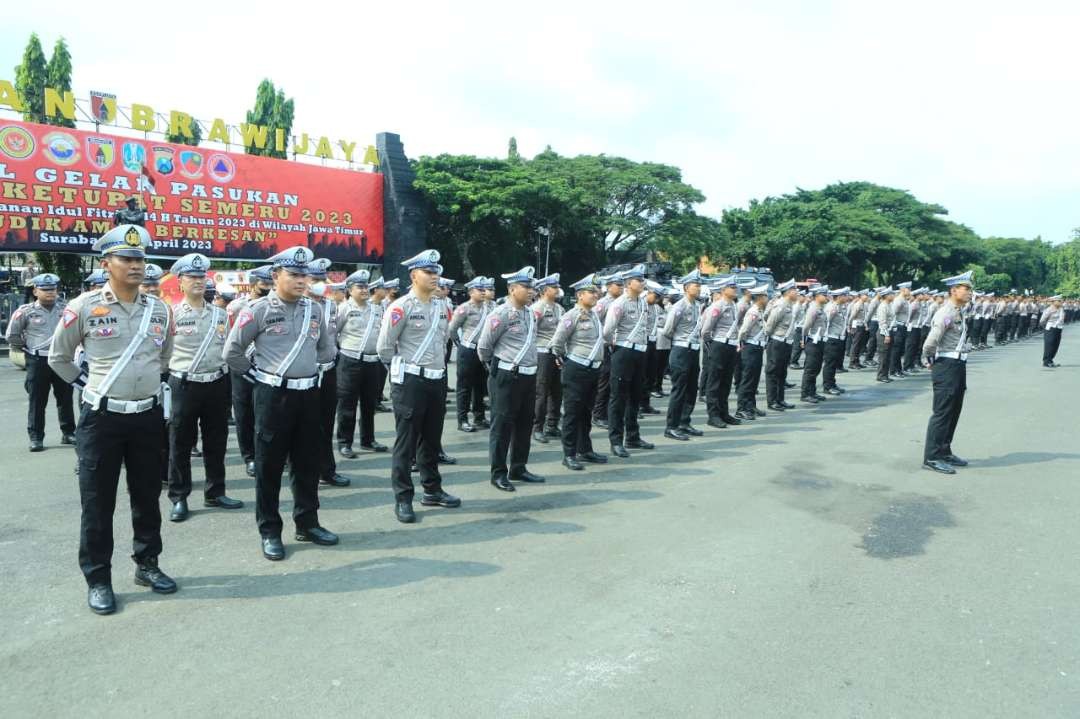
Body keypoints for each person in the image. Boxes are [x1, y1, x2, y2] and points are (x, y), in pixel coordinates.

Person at [48, 223, 178, 615]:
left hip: (147, 418)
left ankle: (147, 564)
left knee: (146, 497)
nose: (136, 265)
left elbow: (165, 357)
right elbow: (59, 357)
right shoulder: (84, 306)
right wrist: (93, 386)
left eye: (141, 258)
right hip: (101, 419)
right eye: (127, 258)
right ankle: (98, 578)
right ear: (107, 263)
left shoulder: (159, 308)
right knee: (98, 502)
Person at [223, 246, 340, 561]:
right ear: (276, 276)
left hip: (308, 394)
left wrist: (312, 365)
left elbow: (328, 351)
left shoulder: (314, 310)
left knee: (307, 463)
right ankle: (270, 530)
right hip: (273, 396)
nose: (302, 280)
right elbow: (233, 352)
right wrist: (259, 379)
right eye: (295, 274)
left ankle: (307, 522)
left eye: (305, 275)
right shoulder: (258, 309)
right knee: (269, 466)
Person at [375, 250, 462, 522]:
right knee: (406, 443)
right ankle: (403, 497)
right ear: (414, 275)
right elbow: (384, 348)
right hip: (410, 381)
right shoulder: (401, 307)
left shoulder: (441, 306)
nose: (435, 277)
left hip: (436, 379)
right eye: (429, 272)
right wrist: (404, 373)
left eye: (437, 272)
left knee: (431, 439)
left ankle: (432, 490)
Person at [164, 253, 242, 522]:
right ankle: (179, 497)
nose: (198, 281)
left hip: (216, 383)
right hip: (184, 384)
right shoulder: (171, 313)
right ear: (180, 282)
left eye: (202, 276)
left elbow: (229, 347)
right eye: (192, 277)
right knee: (180, 444)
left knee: (216, 441)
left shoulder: (220, 314)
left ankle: (215, 492)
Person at [478, 266, 546, 490]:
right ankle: (498, 472)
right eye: (526, 287)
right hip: (506, 375)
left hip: (528, 376)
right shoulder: (500, 314)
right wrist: (498, 368)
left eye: (532, 287)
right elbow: (484, 347)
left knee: (525, 424)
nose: (531, 291)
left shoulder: (529, 313)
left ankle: (519, 467)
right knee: (502, 426)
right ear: (512, 289)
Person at [5, 272, 76, 452]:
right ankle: (36, 437)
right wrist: (27, 348)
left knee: (65, 398)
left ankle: (68, 433)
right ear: (36, 291)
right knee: (37, 401)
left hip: (62, 359)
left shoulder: (66, 309)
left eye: (53, 289)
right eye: (45, 290)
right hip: (38, 360)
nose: (50, 293)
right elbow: (12, 335)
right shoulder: (25, 311)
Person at [550, 273, 608, 470]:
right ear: (580, 295)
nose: (596, 295)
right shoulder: (571, 316)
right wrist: (565, 362)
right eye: (591, 292)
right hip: (576, 369)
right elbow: (557, 344)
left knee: (586, 412)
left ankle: (585, 449)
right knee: (572, 414)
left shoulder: (593, 315)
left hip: (593, 370)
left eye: (596, 291)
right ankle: (569, 453)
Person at [921, 271, 975, 475]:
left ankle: (944, 450)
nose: (970, 292)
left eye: (970, 289)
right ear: (954, 291)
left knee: (954, 410)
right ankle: (931, 457)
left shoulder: (959, 311)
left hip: (958, 364)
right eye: (966, 289)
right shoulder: (946, 313)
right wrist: (927, 358)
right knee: (942, 412)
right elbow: (931, 341)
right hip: (946, 365)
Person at [305, 259, 351, 488]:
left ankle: (327, 470)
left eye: (322, 280)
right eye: (314, 280)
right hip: (303, 374)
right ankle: (304, 472)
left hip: (328, 370)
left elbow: (333, 335)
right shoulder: (298, 305)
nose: (319, 285)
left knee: (326, 423)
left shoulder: (331, 305)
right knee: (303, 426)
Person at [602, 264, 654, 458]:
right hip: (623, 351)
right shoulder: (619, 303)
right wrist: (615, 348)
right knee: (618, 398)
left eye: (642, 280)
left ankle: (632, 437)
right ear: (628, 283)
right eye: (639, 280)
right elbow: (607, 331)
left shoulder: (642, 303)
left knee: (635, 396)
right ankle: (616, 441)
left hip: (640, 352)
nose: (642, 283)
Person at [226, 265, 273, 478]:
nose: (268, 288)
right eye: (264, 284)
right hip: (243, 365)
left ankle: (268, 454)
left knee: (267, 414)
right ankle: (250, 457)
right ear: (253, 285)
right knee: (244, 414)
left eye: (270, 284)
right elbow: (228, 337)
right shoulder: (236, 307)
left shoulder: (275, 304)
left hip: (266, 366)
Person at [334, 269, 387, 456]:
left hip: (373, 362)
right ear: (349, 289)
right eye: (360, 287)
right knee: (347, 404)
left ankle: (368, 440)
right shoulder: (344, 308)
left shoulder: (377, 308)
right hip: (350, 361)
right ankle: (344, 442)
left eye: (366, 286)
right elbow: (333, 334)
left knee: (369, 403)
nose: (365, 290)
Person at [661, 269, 706, 439]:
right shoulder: (679, 306)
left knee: (691, 389)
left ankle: (684, 422)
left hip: (693, 351)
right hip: (681, 350)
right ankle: (671, 426)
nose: (699, 288)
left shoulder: (696, 305)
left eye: (699, 285)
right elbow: (667, 330)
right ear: (687, 287)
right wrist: (682, 341)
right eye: (696, 285)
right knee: (679, 389)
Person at [449, 276, 493, 432]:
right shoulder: (464, 308)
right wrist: (460, 345)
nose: (483, 293)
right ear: (471, 292)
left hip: (483, 351)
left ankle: (479, 417)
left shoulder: (490, 308)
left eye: (484, 290)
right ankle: (462, 420)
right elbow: (452, 329)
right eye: (479, 290)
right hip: (468, 350)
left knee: (480, 385)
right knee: (464, 386)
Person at [701, 276, 743, 426]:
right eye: (732, 288)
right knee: (714, 382)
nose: (735, 290)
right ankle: (713, 415)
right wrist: (712, 347)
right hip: (719, 345)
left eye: (735, 287)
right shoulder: (717, 306)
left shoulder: (733, 306)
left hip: (731, 346)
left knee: (726, 381)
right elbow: (706, 331)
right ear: (723, 290)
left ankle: (724, 413)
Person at [530, 273, 563, 443]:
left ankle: (552, 424)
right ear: (544, 291)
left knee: (556, 391)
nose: (557, 290)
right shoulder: (537, 308)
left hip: (556, 353)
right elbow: (531, 333)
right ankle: (537, 427)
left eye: (557, 287)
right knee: (541, 392)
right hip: (542, 353)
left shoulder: (559, 308)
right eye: (554, 287)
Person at [591, 274, 623, 427]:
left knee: (612, 382)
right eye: (618, 285)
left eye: (622, 285)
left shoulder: (621, 302)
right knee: (603, 383)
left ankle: (606, 413)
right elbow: (594, 323)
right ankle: (598, 414)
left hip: (615, 347)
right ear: (609, 286)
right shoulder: (602, 303)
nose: (621, 287)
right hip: (604, 347)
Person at [735, 284, 771, 420]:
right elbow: (743, 331)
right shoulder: (753, 312)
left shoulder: (760, 311)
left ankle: (751, 405)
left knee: (754, 379)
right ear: (760, 298)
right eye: (765, 296)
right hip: (750, 348)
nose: (767, 298)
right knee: (747, 379)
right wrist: (740, 344)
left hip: (757, 348)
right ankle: (741, 408)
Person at [763, 279, 799, 411]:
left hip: (786, 343)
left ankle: (780, 399)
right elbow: (770, 324)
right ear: (788, 292)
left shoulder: (789, 305)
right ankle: (772, 401)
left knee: (782, 372)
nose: (797, 293)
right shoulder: (781, 305)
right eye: (795, 290)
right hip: (777, 342)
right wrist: (771, 337)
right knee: (773, 372)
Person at [799, 285, 830, 403]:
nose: (826, 297)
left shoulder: (820, 308)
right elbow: (806, 326)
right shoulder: (813, 309)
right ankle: (805, 393)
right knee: (810, 369)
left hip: (820, 341)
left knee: (816, 368)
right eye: (824, 295)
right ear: (817, 296)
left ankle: (812, 391)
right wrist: (803, 339)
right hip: (812, 341)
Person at [820, 287, 849, 396]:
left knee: (834, 363)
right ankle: (827, 386)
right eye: (845, 296)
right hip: (831, 339)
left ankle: (832, 383)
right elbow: (825, 323)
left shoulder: (839, 306)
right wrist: (825, 338)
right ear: (840, 297)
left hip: (838, 338)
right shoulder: (831, 307)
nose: (847, 297)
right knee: (830, 364)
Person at [1040, 295, 1066, 367]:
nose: (1061, 302)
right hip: (1050, 329)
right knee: (1049, 345)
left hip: (1058, 328)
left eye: (1061, 301)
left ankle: (1051, 360)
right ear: (1053, 302)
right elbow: (1042, 321)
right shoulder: (1049, 310)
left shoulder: (1061, 309)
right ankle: (1046, 361)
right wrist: (1047, 328)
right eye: (1059, 301)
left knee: (1055, 345)